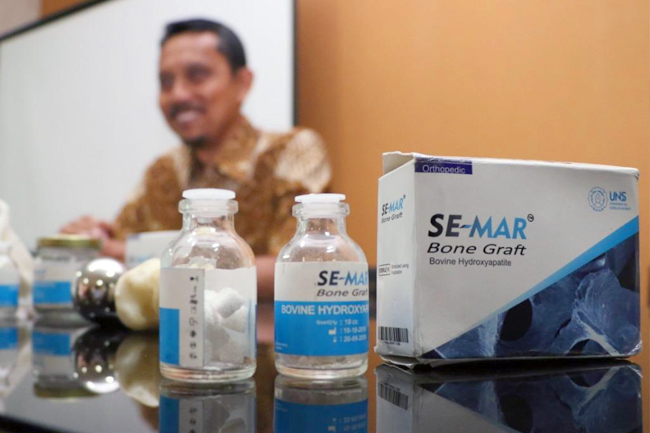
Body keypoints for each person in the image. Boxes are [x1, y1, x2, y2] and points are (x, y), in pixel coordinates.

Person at [61, 19, 331, 298]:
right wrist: (93, 238)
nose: (178, 94)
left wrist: (132, 256)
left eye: (197, 75)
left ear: (243, 83)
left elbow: (304, 267)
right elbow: (119, 246)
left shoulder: (292, 150)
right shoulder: (164, 170)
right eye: (166, 82)